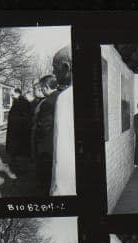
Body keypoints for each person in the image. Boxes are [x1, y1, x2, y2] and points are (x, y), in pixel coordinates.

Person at [50, 47, 77, 196]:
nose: (54, 73)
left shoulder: (66, 98)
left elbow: (62, 147)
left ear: (66, 67)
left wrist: (59, 191)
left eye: (55, 68)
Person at [32, 74, 60, 195]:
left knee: (45, 174)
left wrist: (36, 135)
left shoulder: (47, 103)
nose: (42, 90)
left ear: (47, 86)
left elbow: (44, 127)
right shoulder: (60, 97)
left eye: (43, 87)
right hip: (56, 141)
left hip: (46, 145)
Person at [5, 88, 32, 169]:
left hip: (19, 131)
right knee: (16, 150)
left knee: (19, 150)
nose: (11, 95)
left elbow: (25, 118)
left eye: (12, 94)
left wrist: (14, 120)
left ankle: (20, 167)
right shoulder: (17, 101)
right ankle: (16, 164)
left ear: (17, 93)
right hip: (15, 130)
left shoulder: (23, 102)